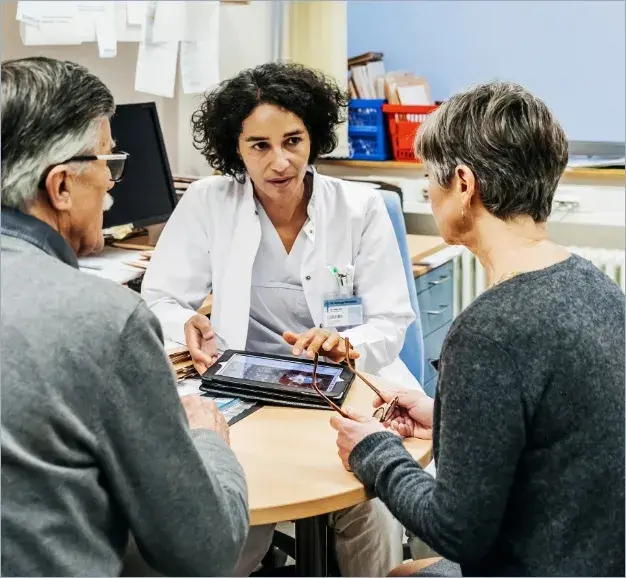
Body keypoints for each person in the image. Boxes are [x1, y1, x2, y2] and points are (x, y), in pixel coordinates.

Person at [330, 81, 625, 577]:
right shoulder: (597, 289)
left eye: (430, 177)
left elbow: (457, 532)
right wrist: (445, 415)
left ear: (464, 185)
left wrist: (373, 451)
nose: (428, 188)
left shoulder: (489, 333)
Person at [141, 62, 418, 576]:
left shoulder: (358, 210)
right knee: (228, 508)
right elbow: (159, 297)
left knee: (370, 505)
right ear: (236, 149)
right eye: (259, 146)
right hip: (242, 386)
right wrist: (186, 324)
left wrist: (346, 344)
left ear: (313, 135)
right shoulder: (209, 203)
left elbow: (391, 319)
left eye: (293, 140)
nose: (280, 161)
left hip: (342, 383)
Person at [1, 57, 249, 577]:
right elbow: (203, 548)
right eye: (107, 164)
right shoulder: (104, 317)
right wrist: (206, 435)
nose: (113, 187)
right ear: (61, 186)